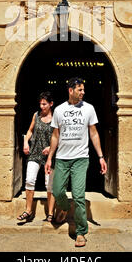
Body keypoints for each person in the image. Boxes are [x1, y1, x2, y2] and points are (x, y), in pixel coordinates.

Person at [45, 77, 107, 247]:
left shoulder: (89, 109)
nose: (83, 93)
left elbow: (93, 133)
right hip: (62, 158)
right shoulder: (58, 110)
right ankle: (64, 207)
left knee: (79, 196)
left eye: (83, 90)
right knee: (57, 191)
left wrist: (101, 157)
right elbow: (55, 135)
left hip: (81, 158)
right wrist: (50, 157)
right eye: (80, 90)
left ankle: (81, 232)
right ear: (70, 90)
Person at [17, 91, 56, 223]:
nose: (42, 107)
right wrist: (25, 141)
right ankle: (28, 210)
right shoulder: (36, 115)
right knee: (29, 179)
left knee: (49, 184)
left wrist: (51, 148)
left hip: (50, 155)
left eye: (44, 104)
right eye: (40, 104)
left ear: (51, 104)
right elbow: (30, 130)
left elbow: (60, 136)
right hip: (35, 152)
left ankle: (50, 213)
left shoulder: (56, 117)